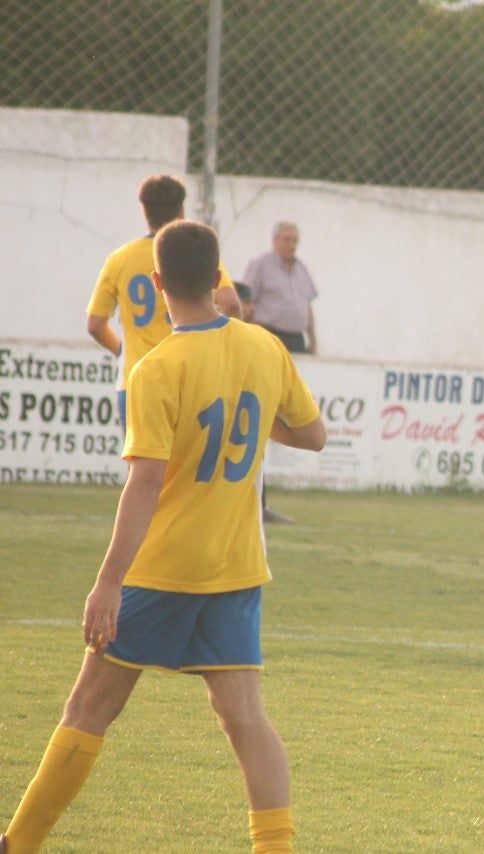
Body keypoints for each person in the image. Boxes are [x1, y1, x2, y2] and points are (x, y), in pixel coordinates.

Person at [3, 221, 326, 854]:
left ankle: (20, 844)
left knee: (88, 709)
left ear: (155, 284)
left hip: (164, 570)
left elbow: (144, 485)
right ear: (218, 279)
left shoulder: (157, 368)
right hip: (236, 570)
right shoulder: (265, 348)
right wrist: (258, 421)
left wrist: (107, 583)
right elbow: (313, 436)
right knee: (246, 719)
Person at [86, 174, 242, 430]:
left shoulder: (120, 258)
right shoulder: (194, 252)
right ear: (181, 210)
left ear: (144, 210)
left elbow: (94, 325)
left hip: (136, 380)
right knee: (186, 468)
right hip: (190, 379)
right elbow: (231, 303)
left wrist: (121, 351)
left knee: (143, 466)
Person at [241, 221, 318, 355]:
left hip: (297, 339)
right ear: (275, 240)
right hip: (270, 335)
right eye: (287, 240)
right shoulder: (260, 265)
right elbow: (245, 300)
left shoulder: (301, 269)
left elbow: (307, 306)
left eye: (295, 241)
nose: (291, 245)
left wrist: (313, 339)